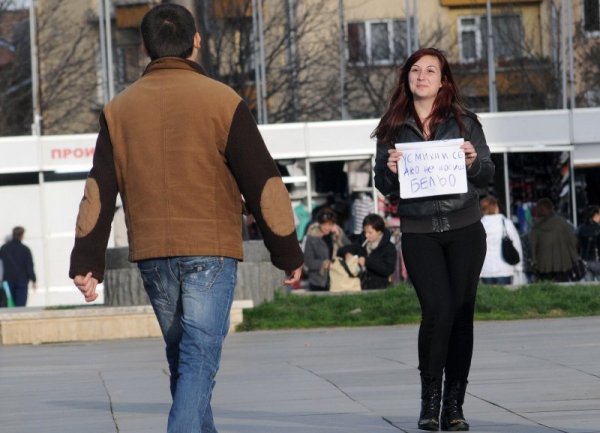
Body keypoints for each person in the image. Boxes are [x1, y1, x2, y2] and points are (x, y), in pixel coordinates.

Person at [68, 4, 303, 433]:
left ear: (144, 47)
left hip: (154, 254)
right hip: (211, 250)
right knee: (197, 357)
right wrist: (287, 251)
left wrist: (86, 261)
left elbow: (98, 189)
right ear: (197, 41)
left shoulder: (118, 110)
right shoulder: (223, 101)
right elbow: (264, 182)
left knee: (185, 359)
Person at [373, 47, 494, 431]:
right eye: (415, 70)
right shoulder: (392, 126)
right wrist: (390, 171)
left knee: (461, 317)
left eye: (430, 70)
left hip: (465, 230)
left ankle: (454, 406)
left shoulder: (465, 121)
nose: (421, 76)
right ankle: (430, 401)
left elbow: (487, 174)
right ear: (406, 78)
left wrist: (474, 161)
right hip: (419, 232)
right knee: (437, 312)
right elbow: (384, 184)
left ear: (443, 80)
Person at [338, 213, 397, 290]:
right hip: (359, 287)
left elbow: (388, 269)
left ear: (379, 232)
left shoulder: (389, 247)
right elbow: (342, 250)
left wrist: (367, 261)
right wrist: (347, 254)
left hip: (380, 288)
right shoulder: (361, 242)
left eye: (370, 232)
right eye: (365, 232)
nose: (366, 235)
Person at [529, 198, 579, 282]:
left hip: (543, 266)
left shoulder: (536, 226)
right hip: (564, 264)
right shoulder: (562, 222)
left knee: (546, 291)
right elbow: (573, 241)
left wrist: (534, 262)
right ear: (551, 208)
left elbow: (532, 246)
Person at [479, 197, 523, 285]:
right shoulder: (506, 223)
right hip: (505, 268)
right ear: (496, 207)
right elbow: (516, 244)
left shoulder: (479, 226)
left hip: (485, 270)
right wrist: (518, 267)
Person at [303, 208, 349, 291]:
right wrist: (324, 264)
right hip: (318, 281)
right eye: (324, 224)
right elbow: (308, 261)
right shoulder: (312, 237)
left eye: (330, 224)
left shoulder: (338, 234)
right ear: (319, 223)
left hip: (338, 279)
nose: (327, 228)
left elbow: (349, 251)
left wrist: (338, 238)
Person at [0, 226, 37, 307]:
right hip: (22, 281)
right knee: (20, 306)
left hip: (7, 280)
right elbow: (29, 266)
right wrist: (33, 280)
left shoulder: (3, 248)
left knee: (8, 305)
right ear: (22, 235)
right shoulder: (25, 249)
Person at [577, 205, 600, 281]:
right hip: (597, 260)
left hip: (584, 261)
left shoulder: (580, 228)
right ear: (596, 215)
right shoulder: (598, 228)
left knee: (589, 285)